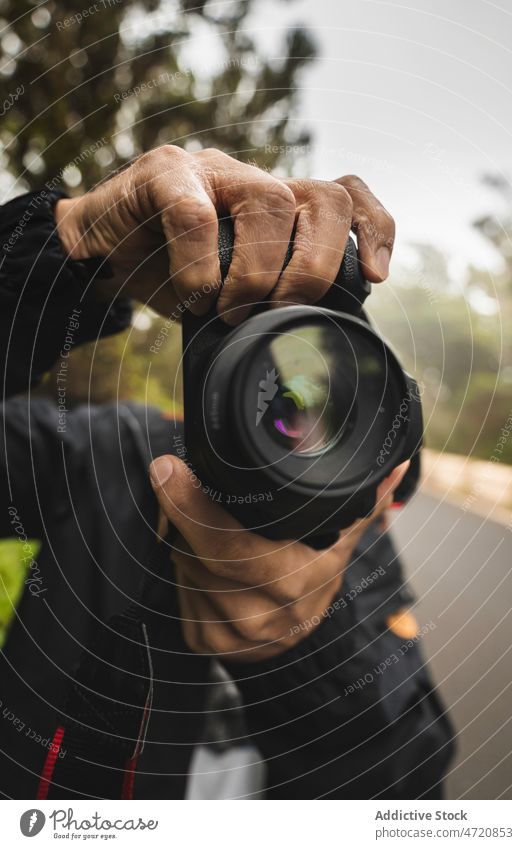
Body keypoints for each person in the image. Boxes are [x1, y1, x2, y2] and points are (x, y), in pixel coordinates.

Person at [0, 145, 454, 798]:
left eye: (317, 392)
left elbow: (410, 791)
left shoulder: (352, 535)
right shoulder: (105, 451)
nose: (287, 411)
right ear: (200, 369)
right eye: (267, 378)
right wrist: (64, 249)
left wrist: (311, 647)